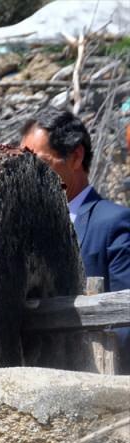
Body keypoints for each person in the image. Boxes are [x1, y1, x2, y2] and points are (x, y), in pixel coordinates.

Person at [20, 107, 130, 372]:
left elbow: (126, 321)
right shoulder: (21, 226)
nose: (29, 174)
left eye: (42, 163)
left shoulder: (112, 223)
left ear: (76, 156)